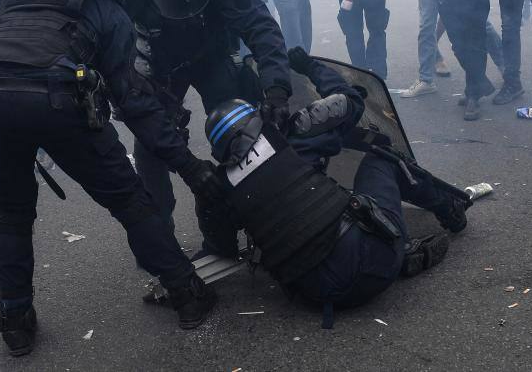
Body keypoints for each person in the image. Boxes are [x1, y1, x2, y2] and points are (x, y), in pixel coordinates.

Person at [0, 0, 220, 356]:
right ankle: (187, 294)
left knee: (12, 214)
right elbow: (134, 102)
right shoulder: (107, 8)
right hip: (61, 103)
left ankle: (15, 322)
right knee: (129, 200)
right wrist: (188, 166)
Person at [197, 47, 469, 325]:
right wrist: (309, 66)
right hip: (376, 260)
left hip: (313, 294)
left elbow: (222, 247)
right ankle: (450, 210)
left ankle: (396, 257)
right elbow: (351, 100)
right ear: (256, 120)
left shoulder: (220, 185)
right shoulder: (292, 133)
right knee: (383, 159)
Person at [123, 0, 292, 251]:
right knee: (150, 146)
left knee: (242, 131)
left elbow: (261, 26)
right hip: (161, 65)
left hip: (210, 54)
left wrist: (276, 89)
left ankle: (261, 217)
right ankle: (159, 241)